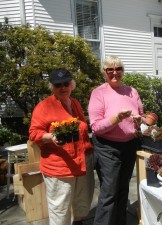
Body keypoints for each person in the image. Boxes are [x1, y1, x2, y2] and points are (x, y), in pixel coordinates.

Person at [29, 68, 95, 225]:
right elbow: (34, 133)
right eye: (58, 85)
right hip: (59, 167)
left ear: (72, 84)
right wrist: (51, 137)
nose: (63, 88)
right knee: (60, 209)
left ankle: (78, 222)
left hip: (82, 162)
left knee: (82, 202)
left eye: (66, 84)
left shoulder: (75, 103)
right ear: (52, 87)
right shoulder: (44, 106)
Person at [88, 55, 144, 225]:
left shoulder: (132, 91)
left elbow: (140, 114)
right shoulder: (99, 93)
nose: (114, 73)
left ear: (123, 71)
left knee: (123, 188)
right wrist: (116, 118)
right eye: (109, 69)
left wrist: (139, 120)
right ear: (104, 72)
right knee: (109, 192)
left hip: (129, 145)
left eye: (118, 69)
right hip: (107, 147)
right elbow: (96, 127)